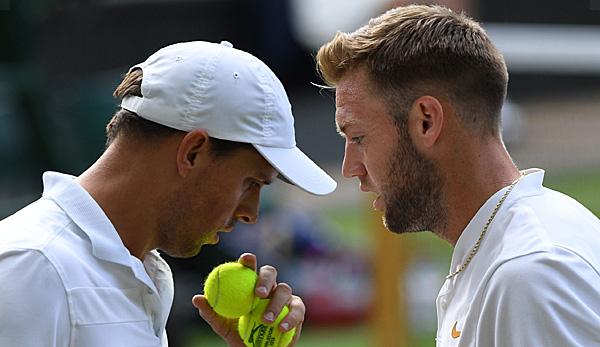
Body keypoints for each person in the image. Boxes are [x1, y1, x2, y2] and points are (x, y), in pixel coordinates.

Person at [0, 40, 337, 346]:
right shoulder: (34, 267)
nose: (251, 212)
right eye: (251, 183)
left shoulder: (143, 271)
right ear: (193, 152)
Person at [316, 5, 600, 346]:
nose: (351, 168)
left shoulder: (527, 275)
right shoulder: (508, 248)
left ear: (426, 121)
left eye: (359, 138)